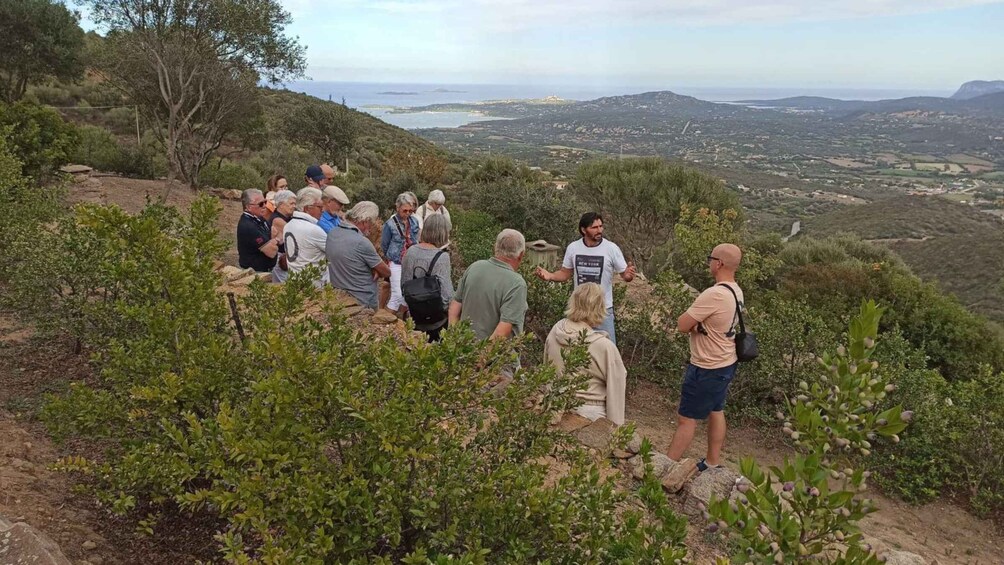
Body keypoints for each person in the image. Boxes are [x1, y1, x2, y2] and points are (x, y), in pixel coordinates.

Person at [665, 243, 745, 473]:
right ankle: (712, 462)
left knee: (686, 419)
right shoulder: (735, 291)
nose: (709, 262)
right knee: (716, 410)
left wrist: (696, 325)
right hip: (726, 361)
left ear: (718, 263)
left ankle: (666, 466)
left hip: (706, 366)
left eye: (711, 258)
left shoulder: (715, 294)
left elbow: (682, 324)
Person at [535, 212, 636, 344]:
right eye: (594, 227)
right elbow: (565, 273)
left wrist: (629, 275)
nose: (599, 230)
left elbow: (625, 275)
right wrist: (550, 276)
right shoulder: (573, 248)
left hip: (603, 310)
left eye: (601, 226)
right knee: (577, 348)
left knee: (608, 348)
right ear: (583, 230)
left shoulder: (611, 249)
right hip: (579, 309)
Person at [544, 283, 627, 425]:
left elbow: (546, 368)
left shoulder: (556, 330)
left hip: (555, 405)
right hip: (591, 412)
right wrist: (615, 429)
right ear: (600, 307)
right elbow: (616, 390)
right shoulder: (604, 346)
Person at [448, 229, 528, 341]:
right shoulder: (517, 284)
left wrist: (454, 343)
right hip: (496, 357)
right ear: (521, 255)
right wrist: (481, 358)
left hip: (463, 349)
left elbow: (454, 308)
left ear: (495, 248)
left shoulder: (474, 267)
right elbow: (503, 331)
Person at [326, 201, 391, 309]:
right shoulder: (361, 242)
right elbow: (386, 272)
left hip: (338, 298)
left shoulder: (332, 233)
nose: (371, 228)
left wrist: (372, 267)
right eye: (372, 223)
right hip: (363, 301)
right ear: (365, 221)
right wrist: (375, 268)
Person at [401, 214, 454, 341]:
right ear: (443, 233)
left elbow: (404, 285)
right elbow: (447, 295)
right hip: (435, 321)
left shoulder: (411, 252)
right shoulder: (442, 257)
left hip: (414, 315)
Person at [381, 193, 421, 315]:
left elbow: (416, 239)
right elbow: (384, 244)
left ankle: (399, 321)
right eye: (405, 210)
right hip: (396, 262)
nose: (408, 213)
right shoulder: (390, 224)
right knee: (397, 295)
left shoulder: (414, 222)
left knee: (407, 295)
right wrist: (389, 258)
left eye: (410, 211)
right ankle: (384, 320)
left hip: (410, 261)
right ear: (397, 208)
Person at [282, 187, 329, 287]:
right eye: (320, 207)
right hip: (315, 285)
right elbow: (334, 252)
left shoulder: (288, 226)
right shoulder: (313, 230)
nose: (323, 210)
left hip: (294, 280)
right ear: (307, 208)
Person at [237, 189, 279, 273]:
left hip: (264, 270)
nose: (264, 206)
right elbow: (271, 252)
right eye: (260, 204)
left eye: (265, 202)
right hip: (255, 272)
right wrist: (274, 238)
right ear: (248, 207)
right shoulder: (248, 226)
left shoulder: (259, 218)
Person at [269, 190, 296, 283]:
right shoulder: (277, 219)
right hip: (280, 260)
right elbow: (295, 233)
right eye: (291, 203)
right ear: (281, 204)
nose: (294, 206)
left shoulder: (289, 218)